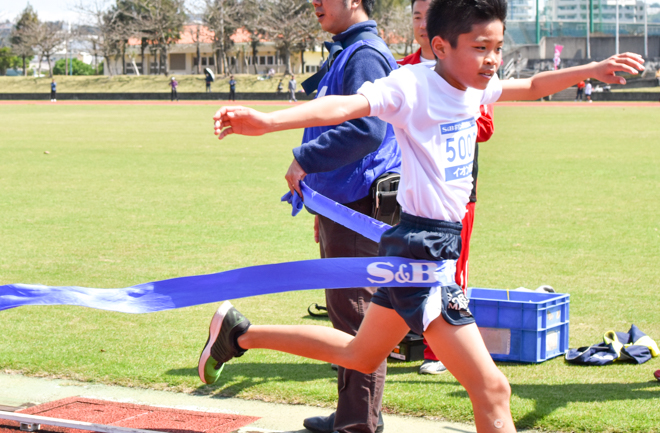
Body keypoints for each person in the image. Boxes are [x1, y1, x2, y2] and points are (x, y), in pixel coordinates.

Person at [205, 0, 642, 432]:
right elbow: (345, 108)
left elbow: (529, 87)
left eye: (497, 47)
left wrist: (590, 70)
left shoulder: (473, 85)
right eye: (479, 47)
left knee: (361, 354)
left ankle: (239, 334)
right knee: (492, 389)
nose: (492, 60)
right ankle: (241, 335)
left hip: (427, 248)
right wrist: (268, 121)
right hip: (423, 257)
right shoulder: (410, 86)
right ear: (441, 45)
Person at [210, 2, 401, 433]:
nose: (315, 2)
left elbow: (366, 130)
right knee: (349, 315)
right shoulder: (350, 50)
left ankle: (358, 424)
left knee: (356, 320)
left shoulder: (364, 53)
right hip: (346, 203)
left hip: (359, 205)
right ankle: (357, 415)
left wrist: (305, 160)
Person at [397, 0, 495, 376]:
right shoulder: (403, 72)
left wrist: (454, 110)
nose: (422, 24)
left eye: (429, 16)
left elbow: (485, 128)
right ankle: (405, 339)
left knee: (453, 271)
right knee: (406, 275)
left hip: (454, 196)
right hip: (409, 196)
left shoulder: (469, 74)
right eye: (417, 16)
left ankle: (437, 352)